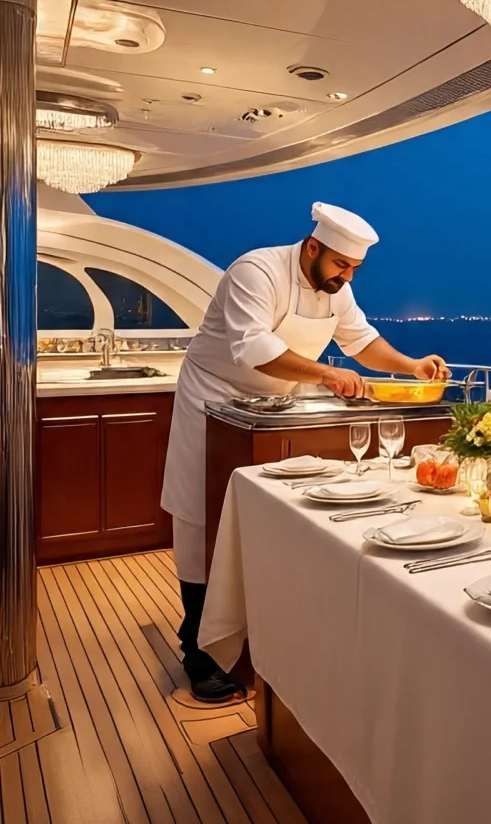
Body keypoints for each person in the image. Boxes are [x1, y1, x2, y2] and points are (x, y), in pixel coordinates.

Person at [162, 202, 448, 703]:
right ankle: (199, 654)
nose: (347, 275)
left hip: (274, 406)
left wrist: (411, 366)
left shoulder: (338, 289)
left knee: (272, 521)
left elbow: (361, 342)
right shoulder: (256, 271)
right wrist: (326, 373)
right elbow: (252, 346)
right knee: (203, 520)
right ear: (312, 247)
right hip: (212, 402)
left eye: (354, 268)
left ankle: (263, 644)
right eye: (341, 264)